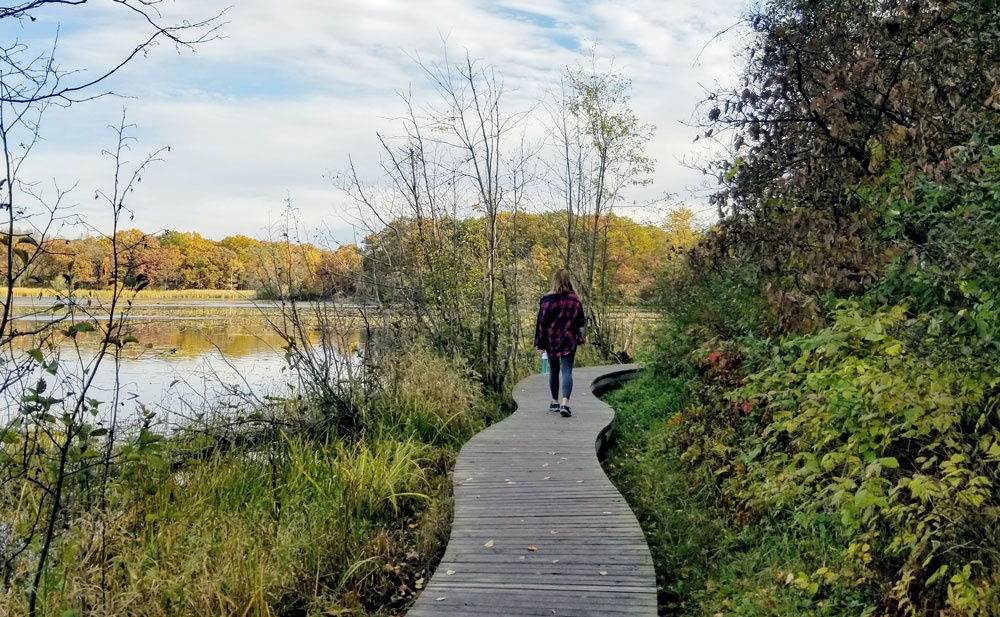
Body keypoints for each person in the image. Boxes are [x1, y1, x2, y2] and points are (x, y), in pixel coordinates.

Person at [534, 269, 585, 417]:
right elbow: (581, 321)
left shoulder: (546, 300)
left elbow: (541, 323)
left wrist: (540, 342)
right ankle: (565, 404)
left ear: (554, 280)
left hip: (551, 339)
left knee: (554, 370)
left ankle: (554, 401)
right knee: (567, 370)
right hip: (569, 338)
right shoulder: (574, 299)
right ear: (568, 280)